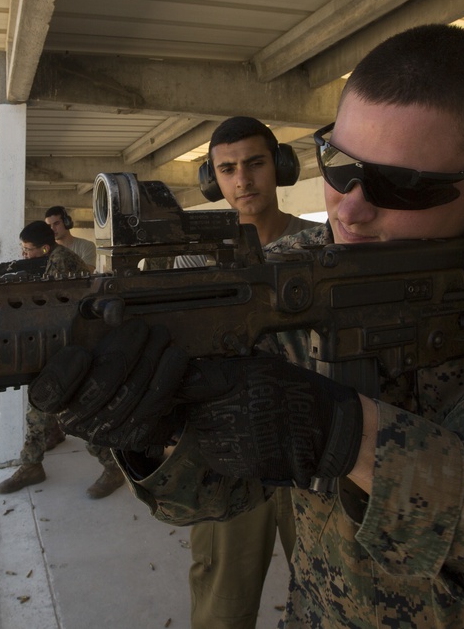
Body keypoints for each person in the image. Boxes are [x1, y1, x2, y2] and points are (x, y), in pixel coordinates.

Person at [26, 24, 464, 627]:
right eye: (340, 166)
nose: (351, 210)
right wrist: (156, 434)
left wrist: (353, 437)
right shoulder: (292, 271)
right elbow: (217, 494)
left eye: (401, 186)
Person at [178, 116, 321, 628]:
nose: (243, 180)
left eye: (256, 163)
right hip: (231, 456)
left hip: (318, 447)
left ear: (279, 167)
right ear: (212, 179)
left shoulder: (324, 245)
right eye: (228, 169)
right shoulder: (194, 263)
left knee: (334, 593)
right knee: (222, 603)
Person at [0, 223, 124, 499]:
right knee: (42, 405)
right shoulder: (53, 258)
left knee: (74, 412)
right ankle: (32, 464)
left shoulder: (60, 261)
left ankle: (113, 467)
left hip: (78, 348)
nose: (25, 254)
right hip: (68, 345)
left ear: (44, 248)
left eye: (28, 249)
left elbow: (51, 306)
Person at [45, 205, 96, 271]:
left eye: (56, 223)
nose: (52, 228)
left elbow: (88, 272)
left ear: (67, 223)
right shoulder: (47, 249)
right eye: (49, 226)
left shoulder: (86, 246)